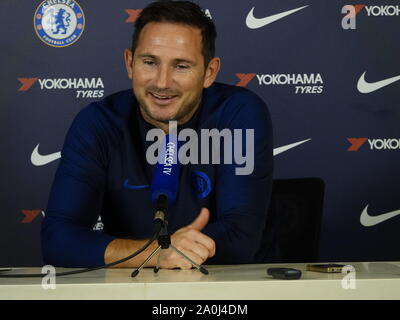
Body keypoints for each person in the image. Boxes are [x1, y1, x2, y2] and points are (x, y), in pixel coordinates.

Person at [41, 0, 277, 270]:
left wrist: (160, 253)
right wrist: (156, 253)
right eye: (150, 62)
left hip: (233, 289)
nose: (162, 82)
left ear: (209, 72)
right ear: (130, 63)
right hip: (135, 287)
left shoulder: (239, 113)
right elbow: (57, 240)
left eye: (181, 66)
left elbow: (240, 238)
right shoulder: (98, 122)